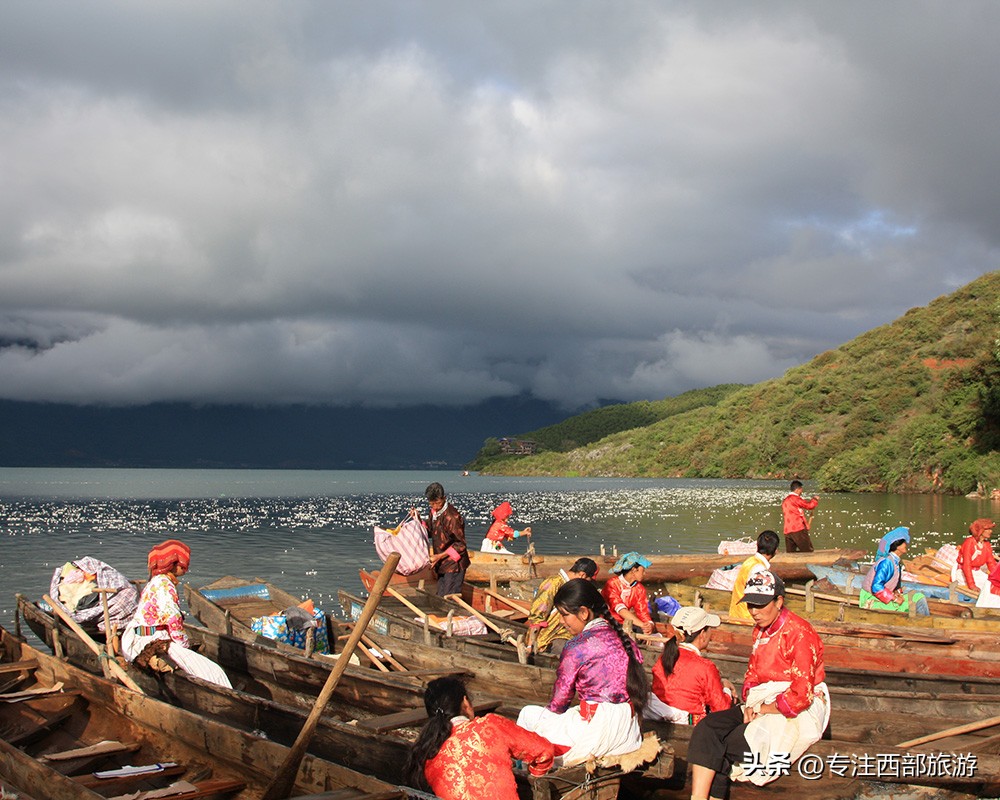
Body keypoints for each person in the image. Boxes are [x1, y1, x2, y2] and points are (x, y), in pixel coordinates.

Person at [688, 571, 829, 800]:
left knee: (729, 742)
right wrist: (752, 703)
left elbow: (801, 695)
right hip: (761, 700)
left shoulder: (799, 633)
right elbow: (752, 673)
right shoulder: (760, 630)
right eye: (751, 605)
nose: (754, 611)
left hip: (795, 707)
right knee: (707, 728)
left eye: (760, 605)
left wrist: (763, 709)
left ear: (779, 602)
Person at [517, 579, 648, 767]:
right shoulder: (626, 640)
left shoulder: (577, 647)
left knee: (528, 714)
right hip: (628, 733)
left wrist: (550, 716)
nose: (561, 621)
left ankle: (526, 772)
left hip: (595, 734)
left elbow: (559, 702)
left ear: (584, 613)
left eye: (564, 615)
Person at [406, 677, 555, 800]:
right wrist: (535, 775)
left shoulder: (427, 752)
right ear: (465, 703)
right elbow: (545, 750)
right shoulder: (490, 725)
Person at [121, 539, 232, 688]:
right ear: (171, 565)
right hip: (151, 638)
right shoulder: (165, 585)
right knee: (214, 672)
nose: (185, 568)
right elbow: (173, 620)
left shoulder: (156, 581)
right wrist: (183, 645)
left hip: (139, 635)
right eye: (182, 565)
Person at [648, 606, 734, 725]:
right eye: (709, 629)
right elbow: (721, 708)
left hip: (660, 721)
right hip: (691, 726)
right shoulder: (705, 666)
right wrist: (727, 690)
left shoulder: (664, 658)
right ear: (703, 634)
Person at [526, 557, 599, 655]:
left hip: (569, 634)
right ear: (582, 575)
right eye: (589, 581)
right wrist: (530, 645)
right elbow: (537, 614)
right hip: (549, 638)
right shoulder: (554, 583)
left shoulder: (574, 587)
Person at [414, 482, 470, 597]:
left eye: (438, 503)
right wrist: (418, 520)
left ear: (444, 498)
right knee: (441, 595)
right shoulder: (434, 513)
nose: (435, 506)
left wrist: (439, 556)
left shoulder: (452, 517)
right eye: (432, 504)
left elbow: (460, 545)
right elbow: (430, 531)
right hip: (442, 563)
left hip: (454, 565)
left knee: (449, 597)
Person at [859, 527, 929, 616]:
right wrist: (895, 599)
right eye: (904, 542)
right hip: (872, 600)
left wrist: (897, 593)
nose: (906, 544)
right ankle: (923, 622)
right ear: (897, 546)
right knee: (916, 601)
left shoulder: (895, 562)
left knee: (918, 597)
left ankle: (922, 621)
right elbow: (876, 587)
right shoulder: (886, 562)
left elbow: (892, 585)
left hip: (883, 597)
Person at [729, 530, 780, 621]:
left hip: (736, 613)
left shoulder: (750, 561)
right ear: (775, 551)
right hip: (746, 618)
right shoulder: (759, 569)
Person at [601, 551, 654, 635]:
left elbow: (642, 612)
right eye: (643, 571)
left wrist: (649, 625)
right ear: (634, 570)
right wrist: (642, 625)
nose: (644, 574)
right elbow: (620, 609)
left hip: (627, 624)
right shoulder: (612, 584)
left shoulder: (639, 589)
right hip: (607, 623)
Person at [954, 518, 997, 593]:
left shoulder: (986, 545)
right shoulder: (969, 542)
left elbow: (991, 564)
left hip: (977, 572)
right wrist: (972, 585)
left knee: (992, 584)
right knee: (987, 587)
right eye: (988, 529)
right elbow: (966, 565)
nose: (991, 531)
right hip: (964, 573)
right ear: (980, 530)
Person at [781, 480, 819, 553]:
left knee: (791, 553)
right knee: (808, 551)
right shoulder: (795, 499)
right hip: (798, 529)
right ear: (798, 489)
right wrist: (815, 499)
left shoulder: (785, 500)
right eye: (801, 490)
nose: (802, 492)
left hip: (787, 530)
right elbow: (810, 506)